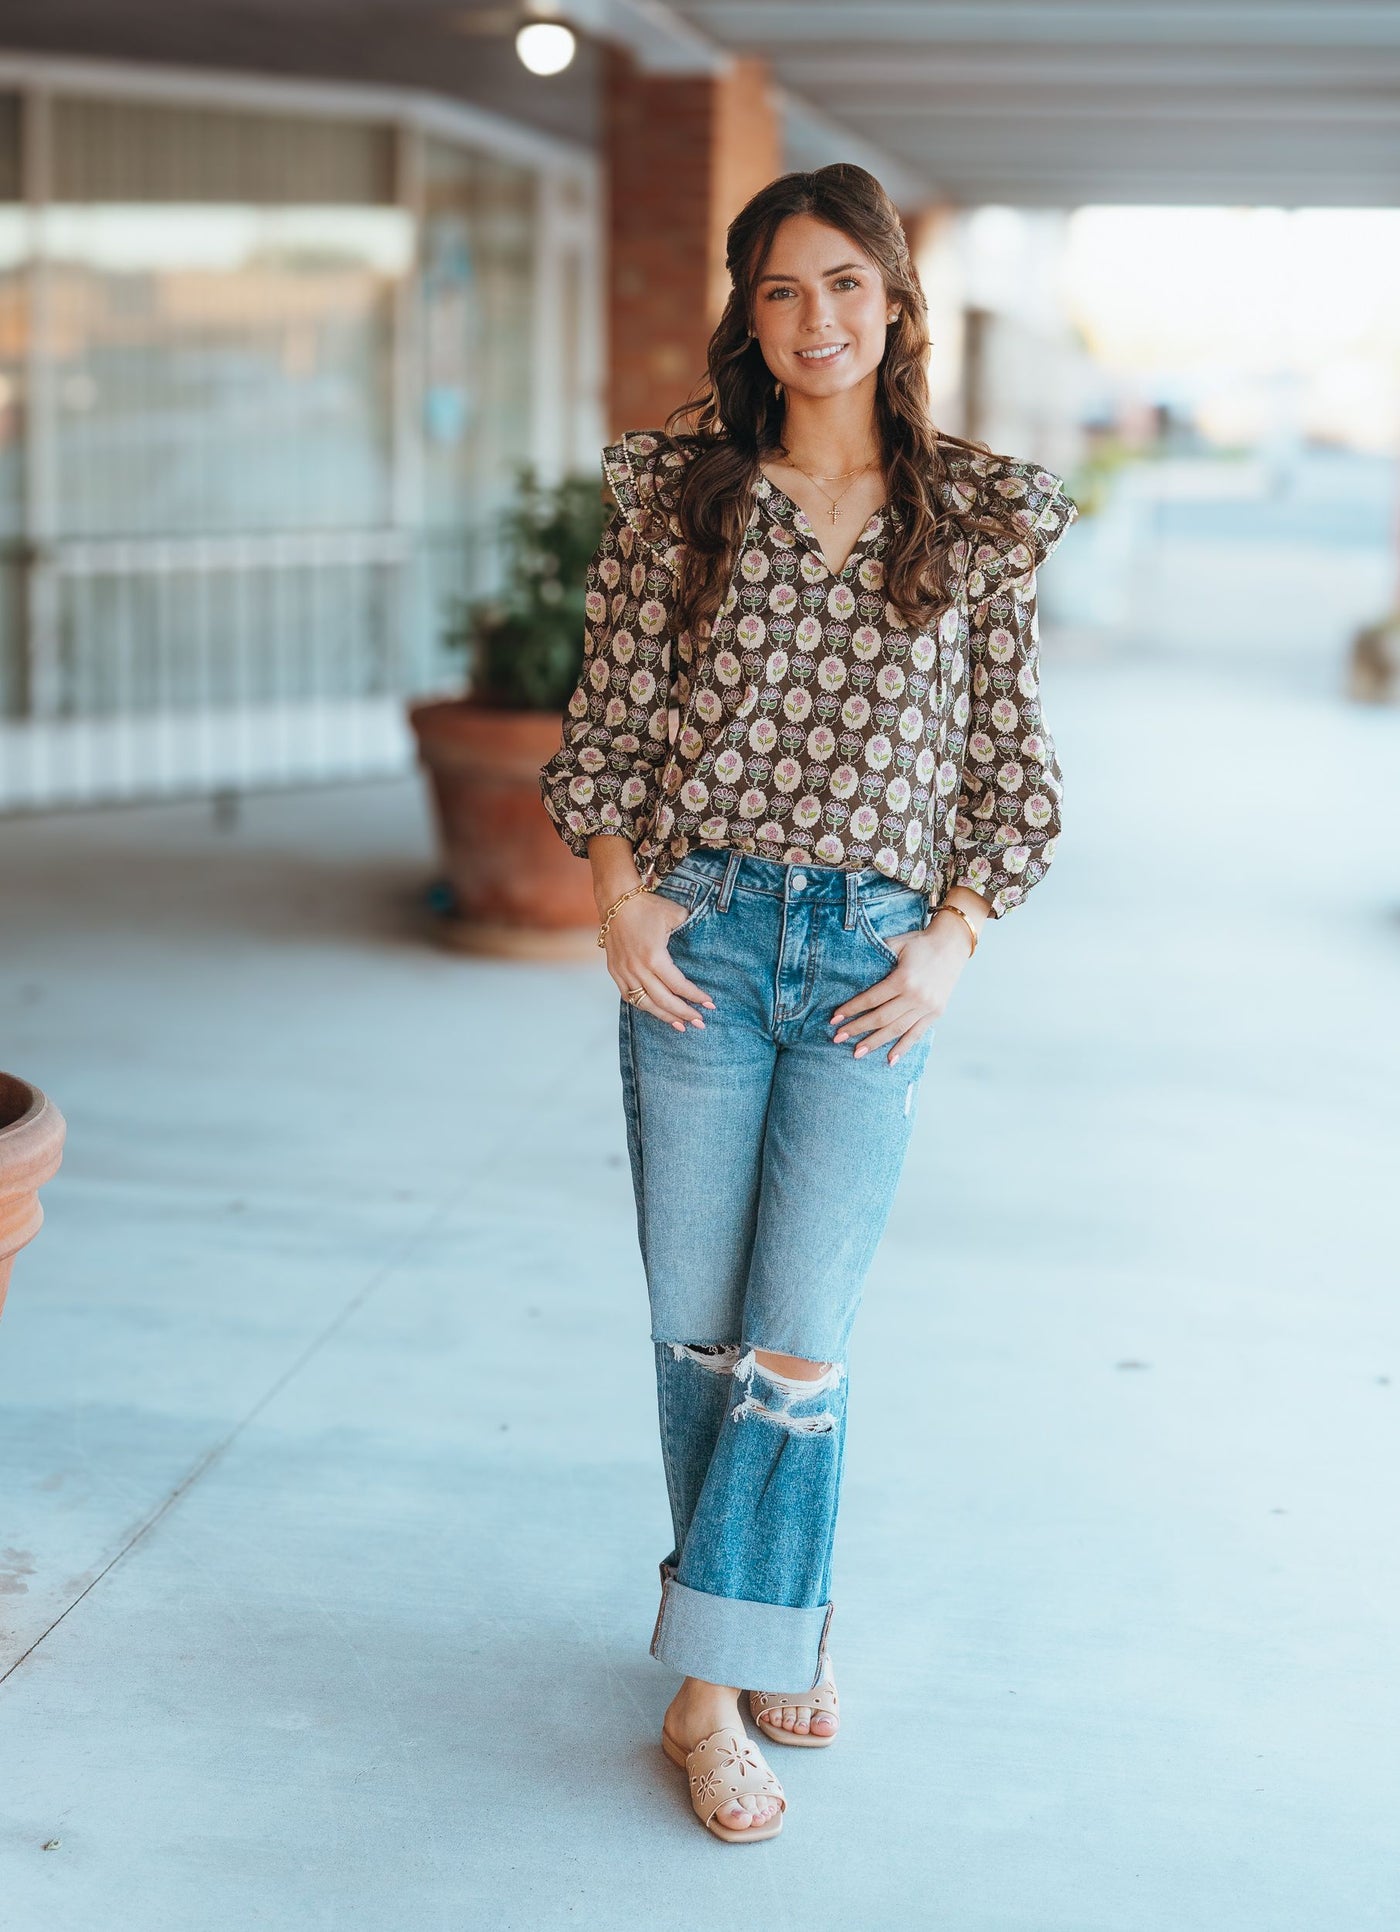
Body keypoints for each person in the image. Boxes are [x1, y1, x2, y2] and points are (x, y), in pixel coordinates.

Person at [538, 163, 1079, 1843]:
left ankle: (709, 1697)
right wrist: (622, 898)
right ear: (746, 316)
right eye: (782, 291)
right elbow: (605, 734)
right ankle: (773, 1632)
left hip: (869, 966)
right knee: (704, 1339)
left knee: (797, 1344)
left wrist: (954, 940)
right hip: (698, 948)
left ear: (899, 305)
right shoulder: (678, 499)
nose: (817, 321)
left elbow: (1009, 768)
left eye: (847, 285)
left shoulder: (976, 517)